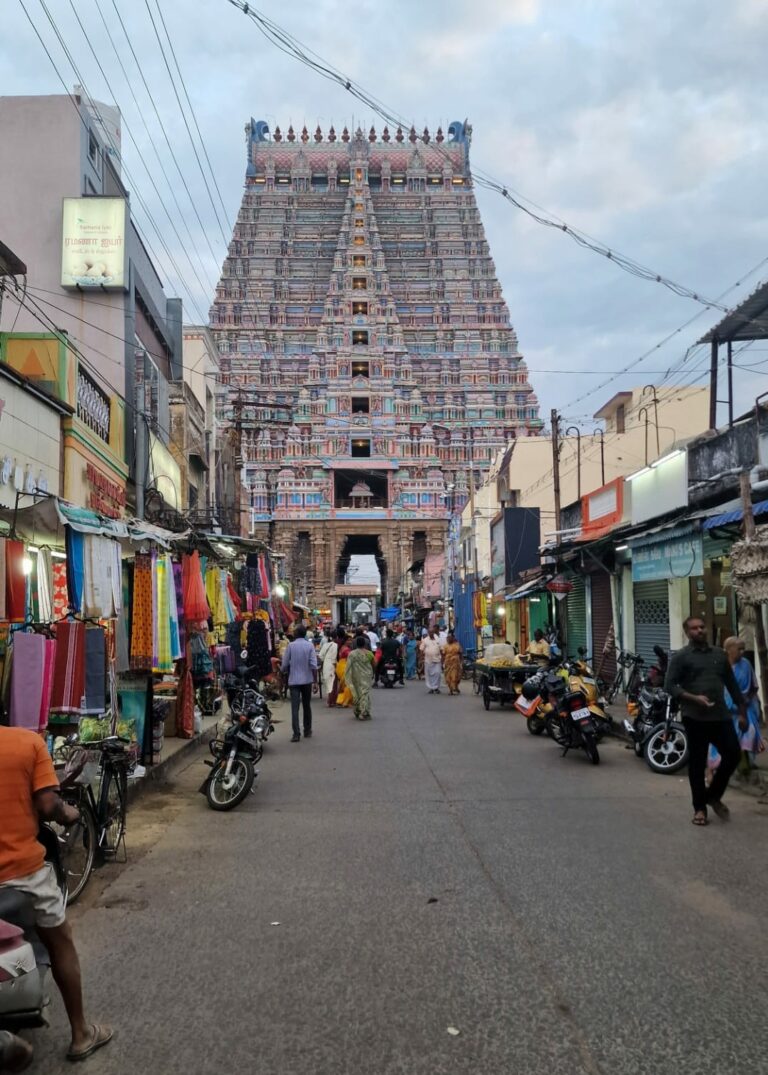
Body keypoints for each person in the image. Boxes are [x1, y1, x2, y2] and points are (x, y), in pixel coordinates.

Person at [0, 725, 112, 1062]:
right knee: (61, 940)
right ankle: (81, 1034)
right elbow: (48, 803)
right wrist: (70, 813)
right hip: (24, 874)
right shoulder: (27, 743)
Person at [664, 616, 747, 826]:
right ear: (687, 633)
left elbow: (732, 685)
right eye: (694, 628)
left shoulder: (719, 655)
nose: (700, 630)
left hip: (720, 716)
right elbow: (670, 686)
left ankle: (713, 795)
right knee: (697, 763)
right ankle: (699, 809)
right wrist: (693, 698)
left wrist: (743, 713)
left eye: (702, 627)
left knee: (733, 754)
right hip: (695, 717)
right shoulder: (682, 657)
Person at [709, 637, 764, 774]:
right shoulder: (719, 666)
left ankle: (746, 764)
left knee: (749, 733)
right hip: (726, 709)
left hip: (746, 707)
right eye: (739, 648)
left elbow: (754, 686)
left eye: (743, 648)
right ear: (728, 650)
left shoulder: (746, 664)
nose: (742, 651)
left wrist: (746, 701)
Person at [281, 625, 318, 742]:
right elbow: (313, 665)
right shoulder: (310, 646)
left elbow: (285, 664)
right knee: (307, 706)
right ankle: (307, 730)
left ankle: (296, 734)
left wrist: (282, 670)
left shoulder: (290, 646)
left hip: (294, 681)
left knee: (294, 708)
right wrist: (315, 681)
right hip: (307, 680)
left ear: (296, 634)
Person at [345, 635, 376, 719]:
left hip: (355, 676)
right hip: (366, 676)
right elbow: (374, 664)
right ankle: (364, 712)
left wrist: (348, 677)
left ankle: (358, 710)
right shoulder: (369, 653)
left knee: (357, 693)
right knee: (364, 693)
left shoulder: (352, 654)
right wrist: (373, 674)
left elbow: (348, 666)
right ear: (365, 644)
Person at [331, 630, 353, 708]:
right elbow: (350, 657)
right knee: (348, 684)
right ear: (345, 641)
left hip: (340, 666)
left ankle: (340, 700)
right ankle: (345, 701)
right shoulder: (346, 649)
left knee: (343, 685)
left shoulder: (342, 647)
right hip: (344, 667)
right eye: (349, 640)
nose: (350, 642)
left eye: (351, 640)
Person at [420, 627, 444, 694]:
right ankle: (431, 688)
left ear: (434, 632)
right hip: (428, 660)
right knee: (429, 675)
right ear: (428, 633)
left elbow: (441, 650)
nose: (431, 633)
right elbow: (421, 649)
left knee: (438, 673)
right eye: (430, 632)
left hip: (437, 660)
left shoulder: (438, 639)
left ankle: (436, 687)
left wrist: (442, 659)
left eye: (432, 632)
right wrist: (422, 658)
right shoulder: (425, 640)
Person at [320, 631, 339, 705]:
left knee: (329, 683)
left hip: (326, 665)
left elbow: (321, 656)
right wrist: (336, 667)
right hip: (332, 665)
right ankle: (331, 701)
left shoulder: (325, 645)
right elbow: (334, 658)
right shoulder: (335, 645)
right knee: (333, 683)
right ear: (336, 637)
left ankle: (330, 700)